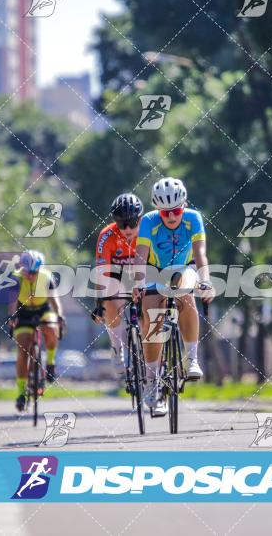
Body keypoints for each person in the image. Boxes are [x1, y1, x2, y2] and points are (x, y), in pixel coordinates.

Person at [131, 177, 215, 415]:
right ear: (158, 210)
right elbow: (140, 256)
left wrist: (206, 280)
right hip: (154, 270)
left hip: (183, 267)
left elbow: (200, 254)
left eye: (176, 210)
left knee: (186, 295)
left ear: (184, 205)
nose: (171, 217)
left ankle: (192, 359)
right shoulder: (148, 221)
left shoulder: (193, 219)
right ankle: (152, 382)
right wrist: (138, 283)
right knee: (153, 318)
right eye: (165, 212)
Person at [91, 193, 143, 375]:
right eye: (122, 224)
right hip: (118, 278)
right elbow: (101, 272)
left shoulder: (148, 231)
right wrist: (100, 304)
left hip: (144, 275)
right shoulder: (107, 235)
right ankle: (116, 349)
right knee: (110, 301)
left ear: (140, 219)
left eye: (132, 223)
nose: (127, 228)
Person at [8, 250, 65, 413]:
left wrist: (59, 316)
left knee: (52, 329)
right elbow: (12, 303)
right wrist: (11, 317)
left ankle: (51, 363)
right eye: (28, 272)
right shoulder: (15, 278)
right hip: (23, 312)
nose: (31, 276)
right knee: (22, 351)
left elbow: (55, 300)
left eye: (34, 272)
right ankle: (20, 393)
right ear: (22, 268)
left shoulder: (46, 277)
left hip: (43, 309)